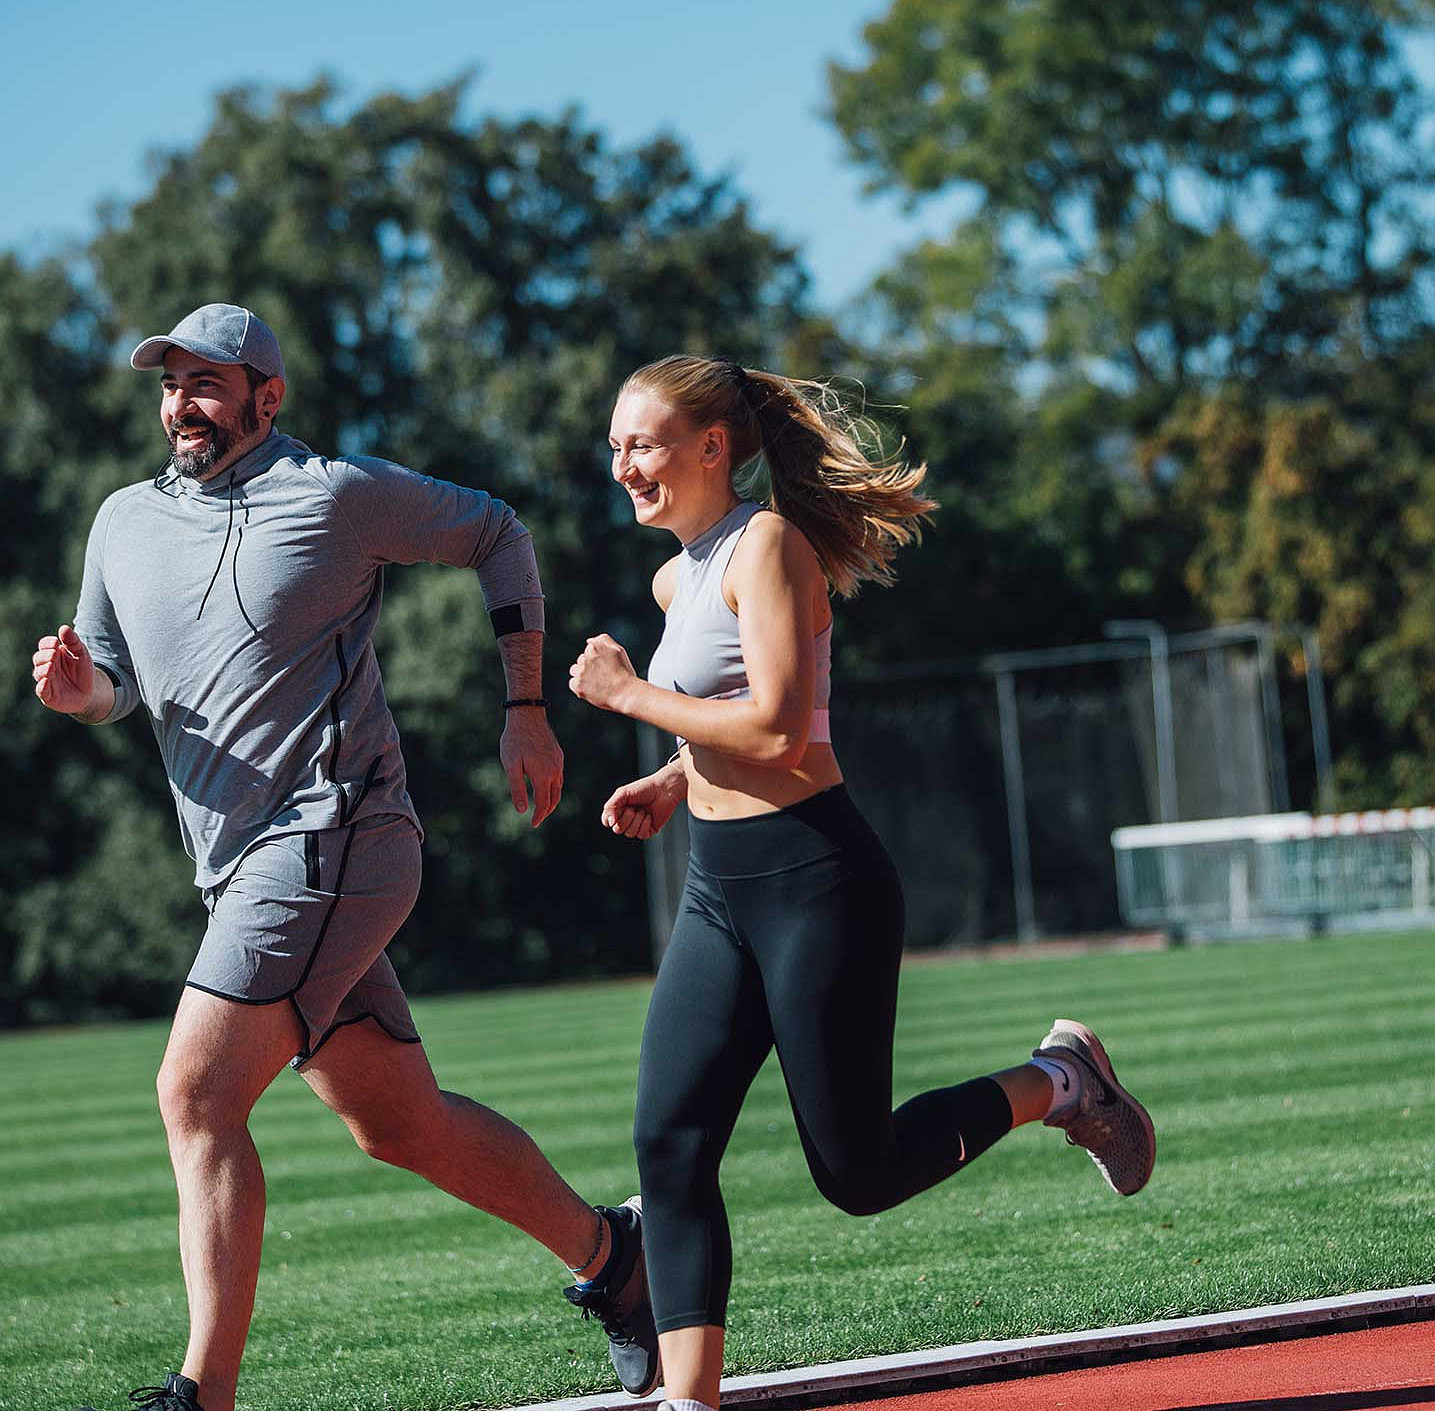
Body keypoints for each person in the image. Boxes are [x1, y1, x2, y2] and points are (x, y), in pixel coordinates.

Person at [34, 304, 657, 1411]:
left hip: (335, 834)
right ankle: (617, 1259)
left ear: (266, 397)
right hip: (239, 868)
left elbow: (499, 532)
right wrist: (84, 694)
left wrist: (524, 709)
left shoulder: (333, 493)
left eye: (207, 383)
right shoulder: (122, 520)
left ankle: (202, 1394)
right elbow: (117, 684)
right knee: (400, 1125)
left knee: (194, 1092)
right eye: (171, 384)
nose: (182, 404)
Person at [565, 355, 1156, 1411]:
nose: (622, 466)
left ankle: (1062, 1080)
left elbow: (781, 730)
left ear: (712, 446)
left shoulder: (768, 545)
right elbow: (738, 717)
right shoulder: (676, 576)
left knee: (860, 1171)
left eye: (641, 443)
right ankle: (688, 1402)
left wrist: (630, 696)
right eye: (614, 446)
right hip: (718, 890)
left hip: (814, 883)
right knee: (669, 1143)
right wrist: (673, 779)